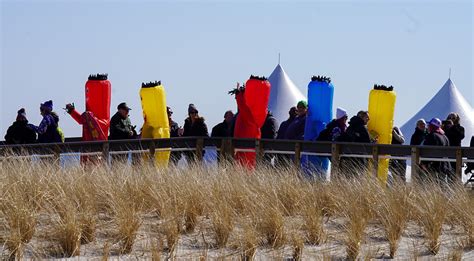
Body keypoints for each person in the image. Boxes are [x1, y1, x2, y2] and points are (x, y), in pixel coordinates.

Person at [420, 118, 451, 184]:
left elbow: (427, 151)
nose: (427, 127)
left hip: (434, 167)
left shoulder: (431, 136)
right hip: (445, 165)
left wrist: (424, 163)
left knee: (431, 186)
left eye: (429, 125)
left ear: (432, 126)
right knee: (442, 185)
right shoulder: (445, 137)